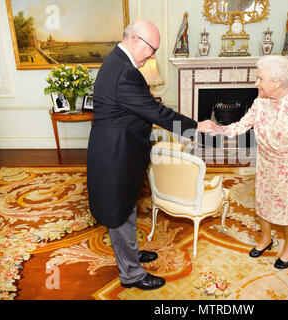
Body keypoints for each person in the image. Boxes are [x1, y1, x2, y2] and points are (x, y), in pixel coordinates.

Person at [87, 19, 215, 291]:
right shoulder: (124, 72)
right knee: (119, 215)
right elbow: (156, 114)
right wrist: (195, 126)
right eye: (152, 49)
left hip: (120, 152)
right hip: (116, 157)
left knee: (127, 206)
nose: (154, 55)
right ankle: (131, 274)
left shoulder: (119, 62)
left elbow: (141, 106)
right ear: (135, 40)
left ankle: (130, 255)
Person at [213, 55, 288, 269]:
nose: (256, 83)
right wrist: (218, 128)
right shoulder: (260, 102)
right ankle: (266, 239)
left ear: (277, 82)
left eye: (260, 79)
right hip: (266, 162)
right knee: (263, 203)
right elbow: (242, 124)